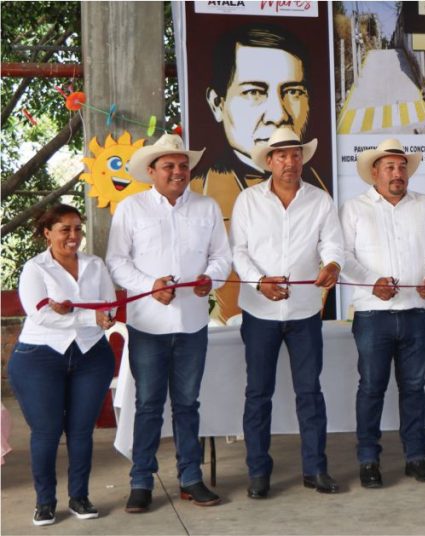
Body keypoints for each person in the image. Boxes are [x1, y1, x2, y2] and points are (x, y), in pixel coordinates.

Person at [108, 134, 231, 512]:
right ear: (151, 172)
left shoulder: (207, 207)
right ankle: (141, 481)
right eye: (169, 166)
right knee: (147, 405)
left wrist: (211, 278)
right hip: (147, 325)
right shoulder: (131, 209)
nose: (178, 172)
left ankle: (190, 479)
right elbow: (116, 261)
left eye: (182, 165)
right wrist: (149, 286)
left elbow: (221, 258)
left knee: (188, 405)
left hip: (193, 324)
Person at [231, 127, 345, 498]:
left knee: (310, 393)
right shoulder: (248, 201)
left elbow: (333, 244)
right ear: (268, 161)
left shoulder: (320, 201)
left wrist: (332, 265)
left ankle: (316, 469)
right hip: (259, 313)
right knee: (258, 394)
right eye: (281, 155)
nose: (290, 162)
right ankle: (258, 473)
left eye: (295, 154)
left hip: (305, 312)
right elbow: (239, 252)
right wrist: (257, 281)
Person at [190, 22, 329, 324]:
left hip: (303, 315)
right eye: (255, 91)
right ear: (217, 103)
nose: (279, 115)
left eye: (292, 91)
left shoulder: (320, 194)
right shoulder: (196, 195)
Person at [342, 139, 425, 488]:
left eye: (402, 166)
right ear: (374, 172)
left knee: (414, 388)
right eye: (389, 167)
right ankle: (368, 461)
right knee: (372, 388)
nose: (397, 173)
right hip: (373, 314)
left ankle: (416, 457)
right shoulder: (354, 208)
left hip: (416, 312)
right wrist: (371, 283)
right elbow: (342, 255)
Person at [9, 205, 116, 526]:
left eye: (78, 229)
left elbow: (108, 306)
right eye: (64, 229)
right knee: (46, 431)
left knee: (82, 431)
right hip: (39, 357)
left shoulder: (95, 265)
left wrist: (102, 316)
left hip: (91, 355)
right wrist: (87, 315)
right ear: (47, 233)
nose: (73, 236)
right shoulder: (35, 268)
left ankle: (80, 497)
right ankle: (45, 502)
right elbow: (40, 313)